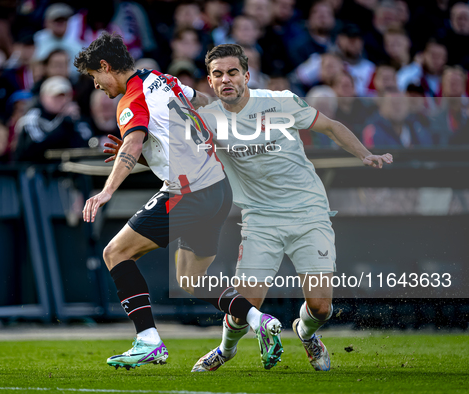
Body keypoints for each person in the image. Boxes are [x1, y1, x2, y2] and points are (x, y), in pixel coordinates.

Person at [76, 33, 283, 370]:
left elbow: (132, 143)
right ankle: (261, 321)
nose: (96, 85)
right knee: (192, 280)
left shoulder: (131, 99)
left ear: (105, 66)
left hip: (189, 192)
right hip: (218, 187)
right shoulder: (160, 79)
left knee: (115, 253)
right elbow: (199, 101)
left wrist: (107, 190)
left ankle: (148, 341)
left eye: (93, 77)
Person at [184, 44, 392, 372]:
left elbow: (331, 126)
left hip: (309, 213)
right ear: (210, 82)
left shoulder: (280, 101)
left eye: (233, 72)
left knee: (321, 308)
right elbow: (176, 155)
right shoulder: (207, 121)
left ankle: (306, 334)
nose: (226, 79)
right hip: (260, 219)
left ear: (247, 76)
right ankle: (225, 350)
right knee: (244, 307)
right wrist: (130, 154)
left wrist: (365, 154)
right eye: (218, 74)